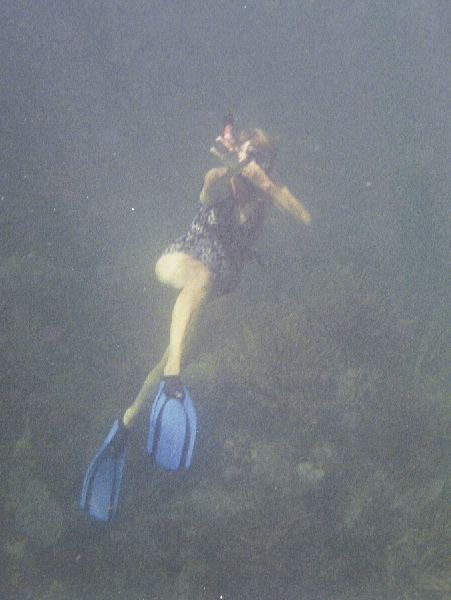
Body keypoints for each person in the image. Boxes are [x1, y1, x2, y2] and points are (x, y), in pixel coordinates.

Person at [80, 118, 311, 520]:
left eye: (263, 160)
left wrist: (268, 185)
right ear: (236, 154)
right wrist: (233, 168)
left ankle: (128, 422)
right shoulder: (220, 177)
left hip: (220, 291)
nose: (255, 167)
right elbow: (212, 186)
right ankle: (173, 375)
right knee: (200, 280)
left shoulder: (266, 195)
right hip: (181, 260)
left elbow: (305, 219)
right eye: (249, 156)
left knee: (179, 352)